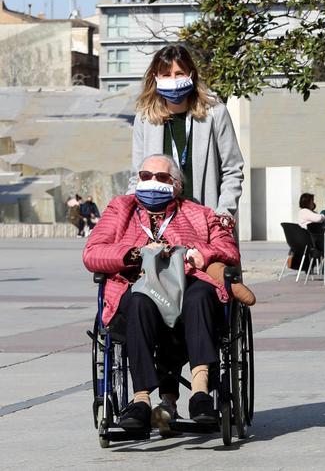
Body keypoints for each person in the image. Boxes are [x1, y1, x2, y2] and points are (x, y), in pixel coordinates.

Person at [82, 154, 241, 432]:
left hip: (187, 290)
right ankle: (141, 399)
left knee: (201, 295)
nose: (152, 182)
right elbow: (92, 252)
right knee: (140, 302)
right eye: (145, 176)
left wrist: (200, 254)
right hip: (138, 290)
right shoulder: (121, 209)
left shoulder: (199, 214)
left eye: (162, 177)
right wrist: (133, 254)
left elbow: (229, 249)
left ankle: (200, 393)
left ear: (177, 185)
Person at [130, 44, 245, 219]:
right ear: (156, 77)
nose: (173, 80)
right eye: (166, 75)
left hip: (207, 219)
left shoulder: (215, 114)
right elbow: (137, 176)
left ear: (191, 74)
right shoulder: (144, 119)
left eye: (179, 74)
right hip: (160, 222)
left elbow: (232, 169)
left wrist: (223, 212)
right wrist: (126, 215)